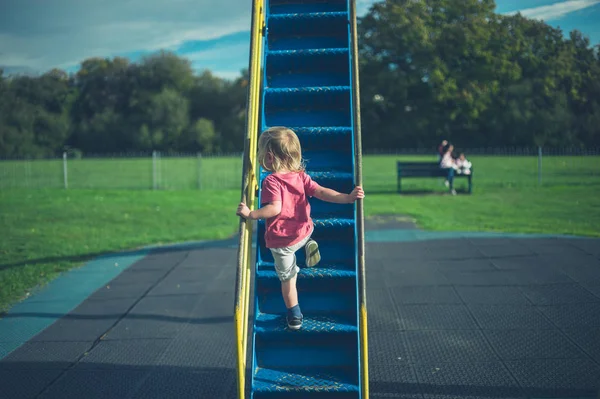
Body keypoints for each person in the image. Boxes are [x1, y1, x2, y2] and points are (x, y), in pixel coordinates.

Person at [236, 126, 365, 330]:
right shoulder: (300, 176)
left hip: (283, 243)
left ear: (269, 157)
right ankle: (308, 242)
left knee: (288, 279)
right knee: (305, 232)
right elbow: (321, 192)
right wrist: (348, 198)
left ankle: (295, 314)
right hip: (304, 230)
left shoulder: (271, 181)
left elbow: (274, 208)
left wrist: (250, 214)